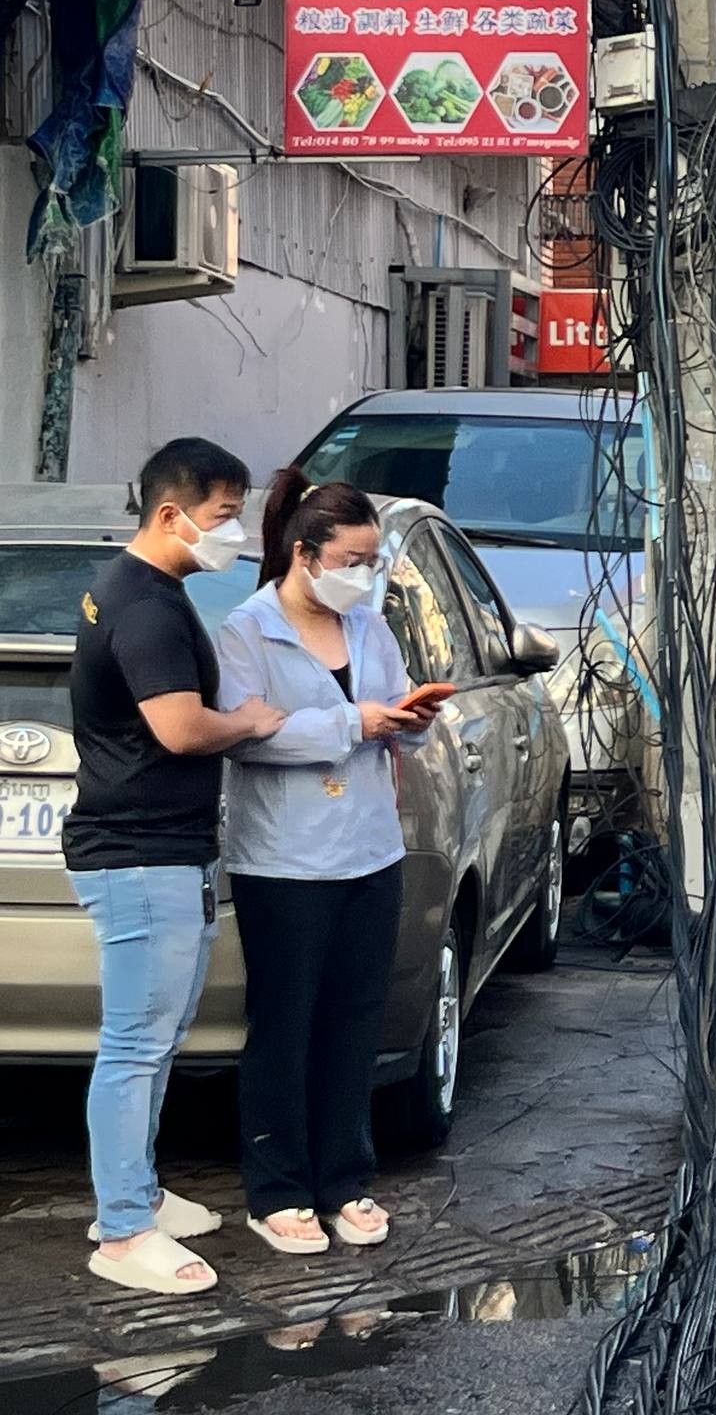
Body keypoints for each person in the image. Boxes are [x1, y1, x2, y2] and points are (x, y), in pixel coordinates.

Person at [65, 439, 287, 1298]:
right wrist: (251, 721)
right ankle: (123, 1230)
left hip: (162, 849)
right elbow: (181, 729)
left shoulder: (135, 590)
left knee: (156, 1037)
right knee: (135, 1043)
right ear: (171, 514)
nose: (234, 532)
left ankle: (140, 1194)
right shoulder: (146, 607)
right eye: (225, 515)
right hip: (140, 854)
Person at [215, 473, 438, 1258]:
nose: (363, 574)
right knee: (285, 1023)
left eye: (372, 560)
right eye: (351, 560)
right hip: (284, 859)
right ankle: (277, 1189)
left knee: (354, 1019)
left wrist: (409, 718)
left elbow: (396, 714)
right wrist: (350, 723)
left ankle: (346, 1178)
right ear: (304, 555)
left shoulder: (370, 625)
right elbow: (245, 735)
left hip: (369, 851)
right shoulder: (248, 630)